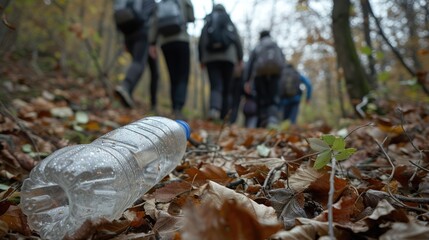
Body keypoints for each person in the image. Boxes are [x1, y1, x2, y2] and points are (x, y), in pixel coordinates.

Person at [149, 0, 195, 119]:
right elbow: (191, 17)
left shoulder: (161, 3)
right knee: (183, 75)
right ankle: (178, 108)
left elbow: (154, 23)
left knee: (172, 76)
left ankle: (174, 106)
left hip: (165, 42)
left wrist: (152, 43)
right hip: (182, 40)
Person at [198, 4, 244, 122]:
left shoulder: (209, 20)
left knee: (215, 85)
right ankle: (225, 117)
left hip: (211, 58)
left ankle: (214, 110)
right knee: (227, 89)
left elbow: (202, 39)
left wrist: (201, 59)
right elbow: (237, 40)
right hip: (229, 58)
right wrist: (240, 59)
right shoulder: (228, 21)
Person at [114, 0, 157, 109]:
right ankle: (125, 87)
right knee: (138, 62)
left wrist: (125, 41)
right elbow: (152, 19)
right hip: (141, 33)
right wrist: (153, 43)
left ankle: (127, 95)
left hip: (128, 35)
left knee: (138, 64)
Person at [243, 30, 285, 128]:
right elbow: (282, 63)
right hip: (275, 76)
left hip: (259, 76)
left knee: (261, 99)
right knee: (273, 99)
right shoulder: (276, 46)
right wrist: (280, 78)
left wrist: (247, 81)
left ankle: (262, 122)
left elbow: (250, 65)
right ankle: (272, 122)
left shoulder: (258, 46)